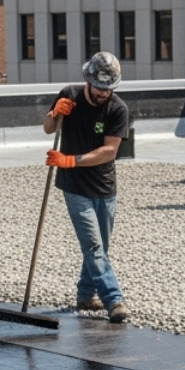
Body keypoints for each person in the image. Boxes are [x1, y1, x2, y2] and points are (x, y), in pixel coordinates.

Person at [44, 51, 132, 323]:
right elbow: (49, 128)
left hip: (105, 186)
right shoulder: (69, 94)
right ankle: (114, 300)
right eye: (100, 88)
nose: (104, 93)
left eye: (109, 89)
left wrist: (70, 160)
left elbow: (108, 152)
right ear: (88, 81)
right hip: (74, 187)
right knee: (93, 244)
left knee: (99, 247)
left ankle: (85, 294)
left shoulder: (118, 109)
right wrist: (55, 112)